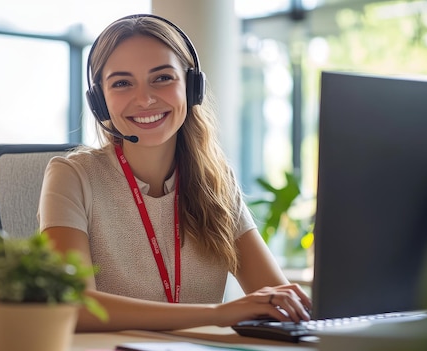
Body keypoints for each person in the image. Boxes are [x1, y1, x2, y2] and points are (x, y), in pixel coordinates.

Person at [38, 13, 311, 332]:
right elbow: (73, 306)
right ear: (100, 101)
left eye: (162, 78)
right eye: (122, 83)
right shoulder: (71, 176)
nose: (145, 99)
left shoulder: (215, 181)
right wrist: (216, 314)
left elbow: (275, 298)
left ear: (192, 87)